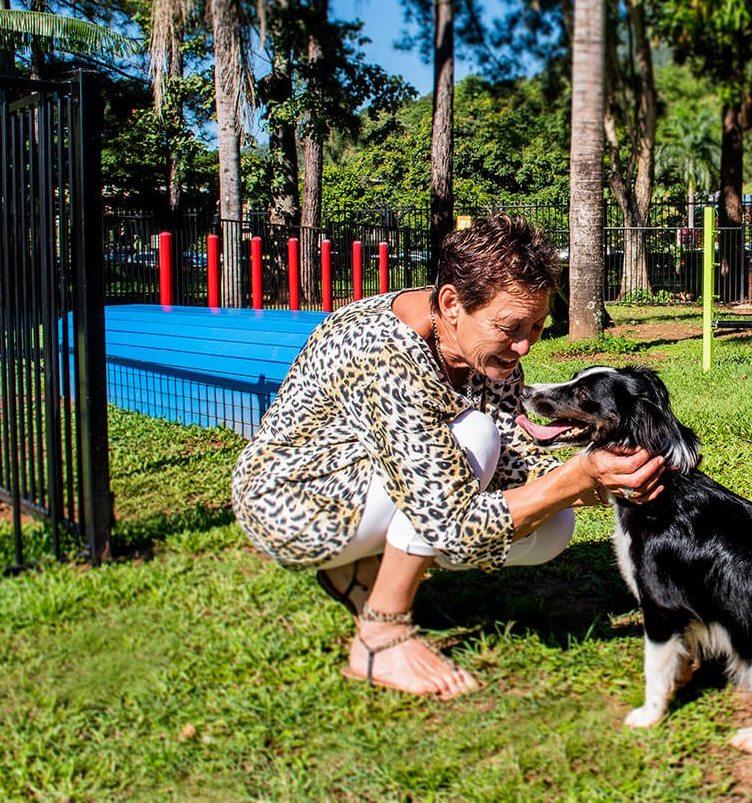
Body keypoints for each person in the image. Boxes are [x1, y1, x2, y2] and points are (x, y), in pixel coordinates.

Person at [232, 215, 666, 698]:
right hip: (293, 502)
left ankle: (356, 570)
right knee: (476, 439)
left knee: (552, 525)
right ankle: (382, 633)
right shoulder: (387, 351)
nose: (524, 345)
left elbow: (513, 451)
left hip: (369, 486)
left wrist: (599, 479)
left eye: (537, 326)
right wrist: (574, 479)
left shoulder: (473, 341)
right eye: (510, 327)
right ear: (451, 303)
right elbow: (451, 522)